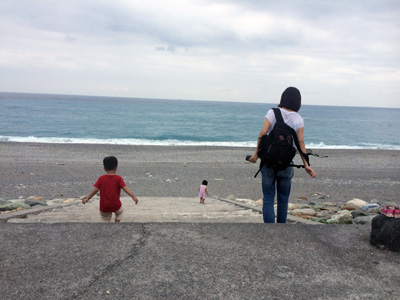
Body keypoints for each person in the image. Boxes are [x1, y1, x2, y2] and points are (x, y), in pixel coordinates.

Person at [249, 87, 316, 223]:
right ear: (298, 102)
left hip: (268, 163)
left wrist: (256, 154)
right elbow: (300, 143)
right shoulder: (298, 119)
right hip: (287, 164)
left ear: (283, 98)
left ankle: (270, 230)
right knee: (283, 199)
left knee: (268, 198)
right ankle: (281, 230)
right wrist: (306, 165)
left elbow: (262, 134)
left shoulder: (272, 113)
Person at [82, 156, 139, 222]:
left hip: (104, 207)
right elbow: (125, 188)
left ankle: (106, 228)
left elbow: (95, 190)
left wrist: (88, 198)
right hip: (115, 205)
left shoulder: (101, 179)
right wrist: (133, 196)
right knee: (120, 212)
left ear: (104, 168)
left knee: (105, 219)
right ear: (116, 167)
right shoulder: (118, 178)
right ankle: (116, 224)